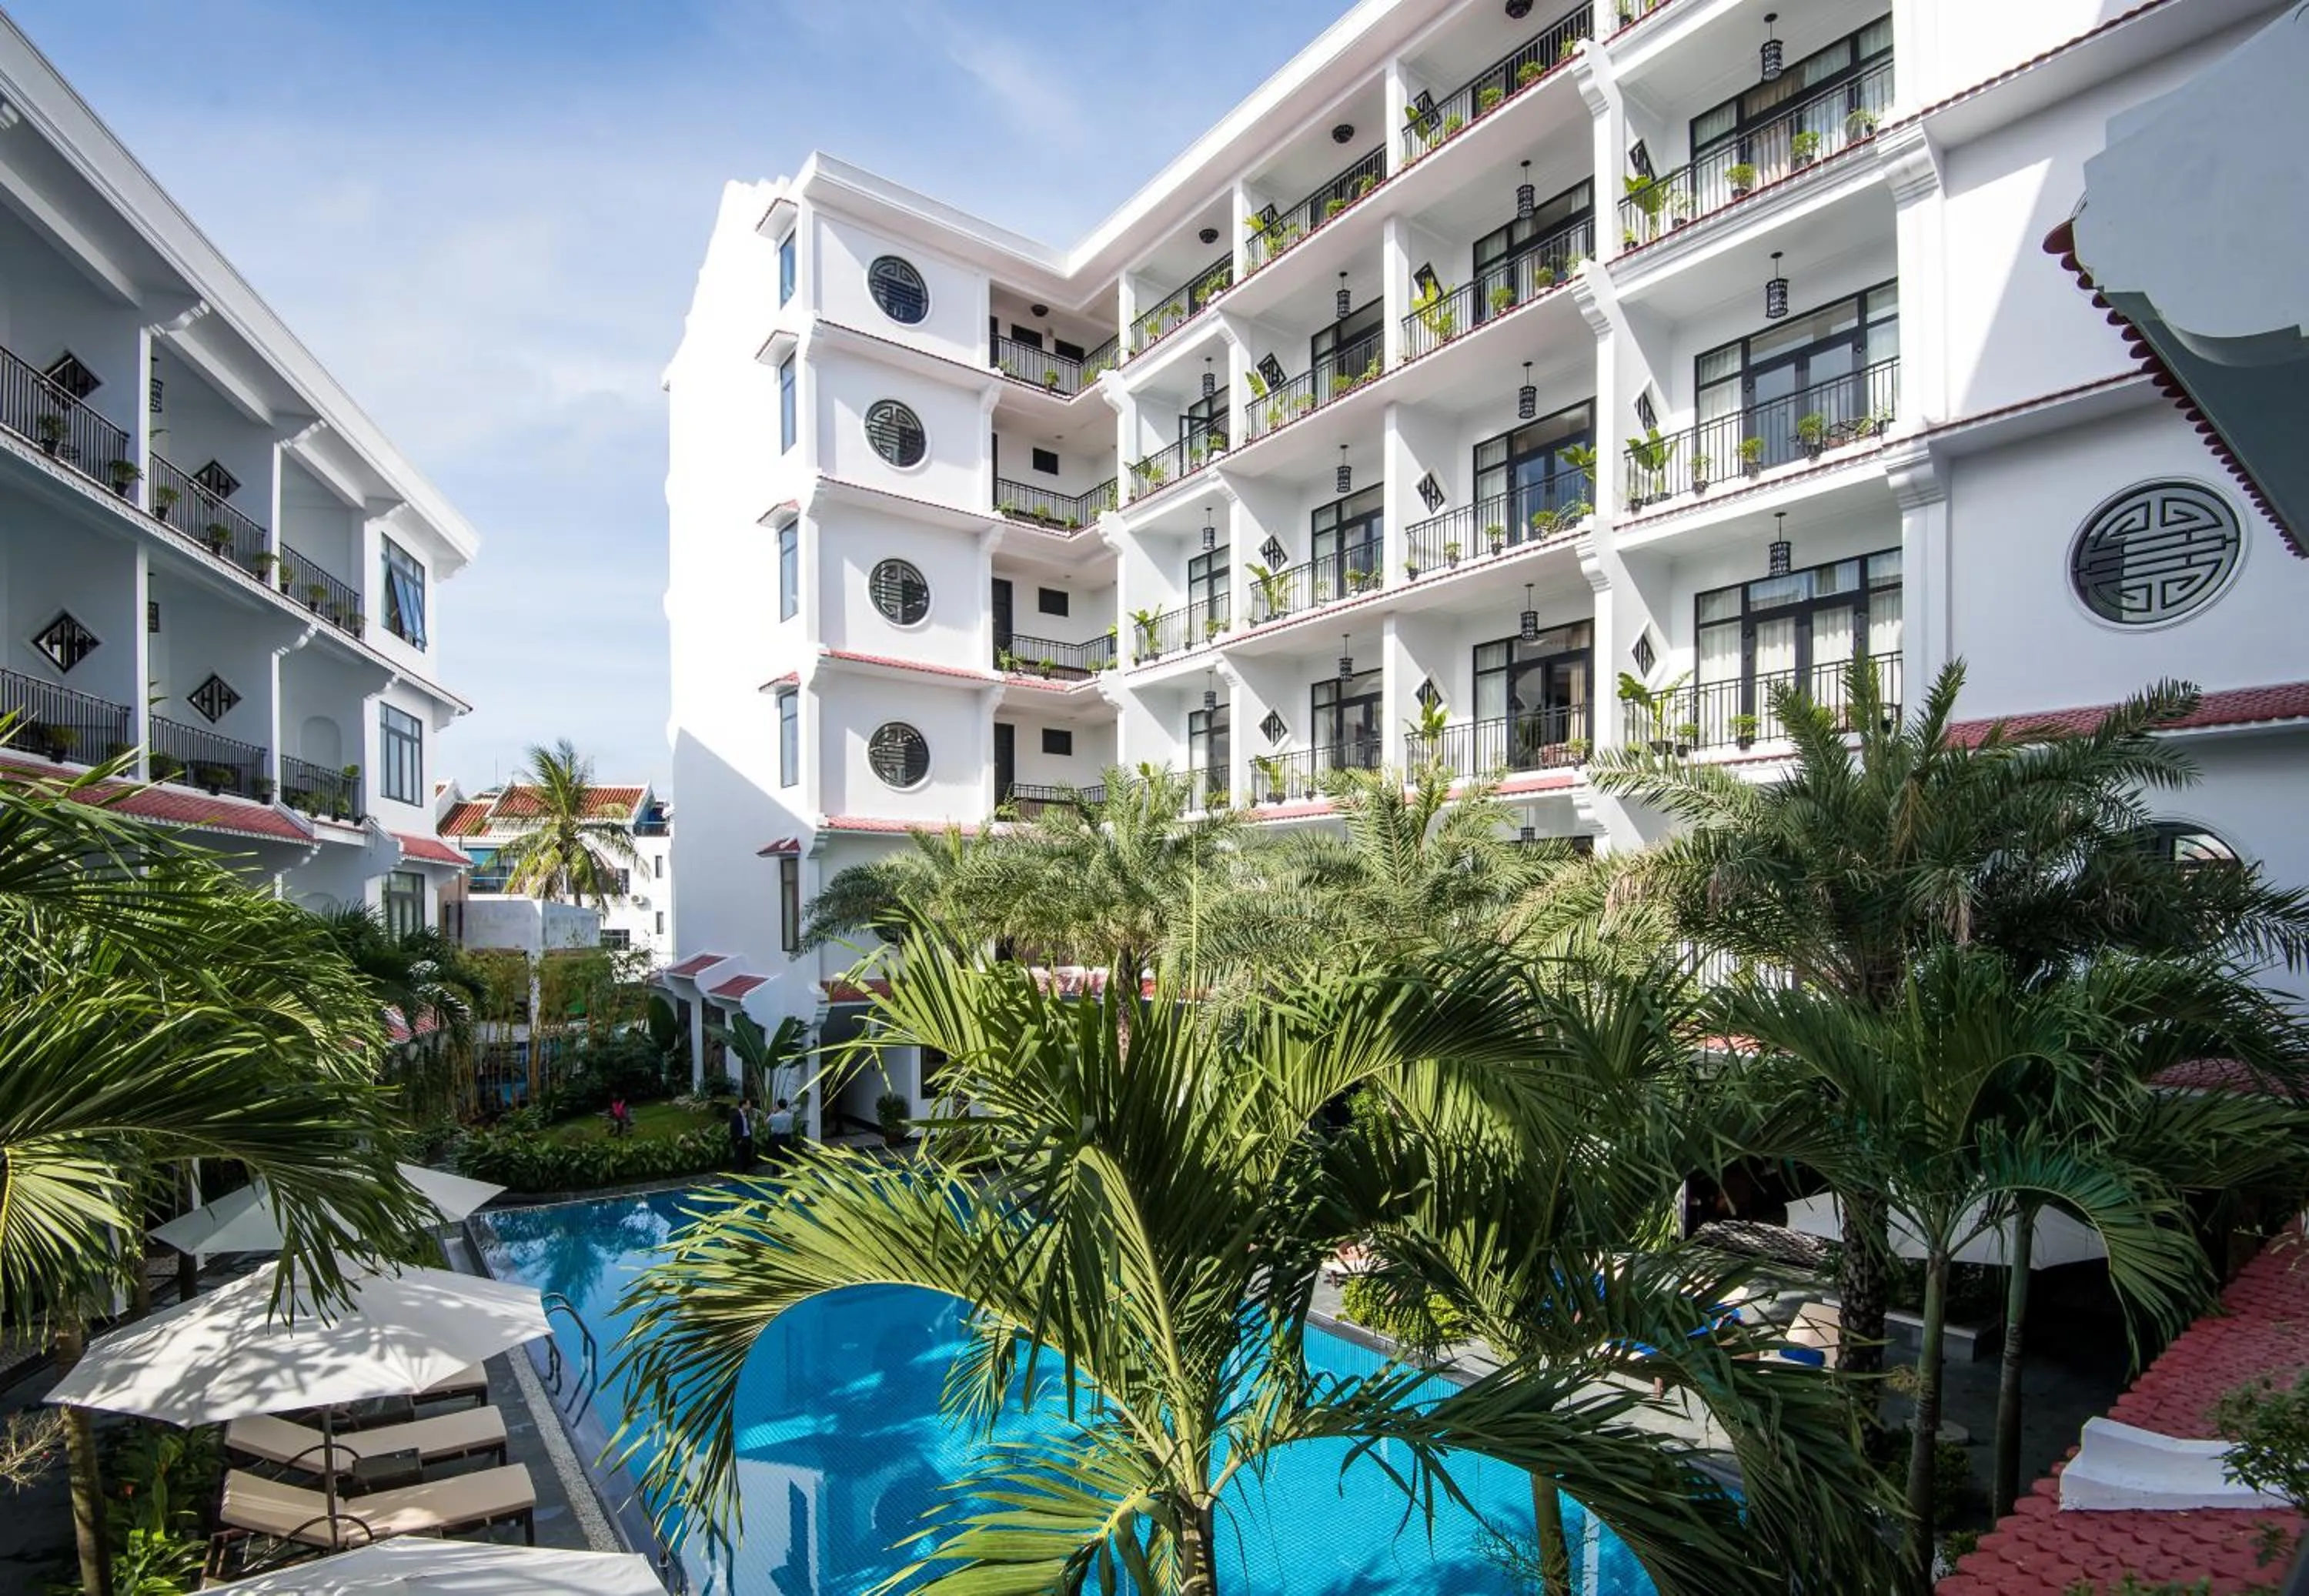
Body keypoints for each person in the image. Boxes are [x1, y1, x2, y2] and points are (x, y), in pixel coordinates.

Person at [730, 1096, 757, 1173]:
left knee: (747, 1156)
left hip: (747, 1137)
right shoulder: (736, 1115)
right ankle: (738, 1173)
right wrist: (738, 1139)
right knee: (739, 1157)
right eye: (748, 1104)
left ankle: (746, 1172)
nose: (750, 1106)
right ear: (743, 1105)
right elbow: (733, 1128)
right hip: (740, 1139)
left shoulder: (747, 1114)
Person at [767, 1097, 795, 1163]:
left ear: (778, 1106)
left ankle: (776, 1172)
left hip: (776, 1137)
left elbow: (766, 1122)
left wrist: (773, 1112)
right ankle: (787, 1171)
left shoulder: (774, 1116)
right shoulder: (791, 1116)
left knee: (776, 1157)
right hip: (787, 1137)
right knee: (786, 1156)